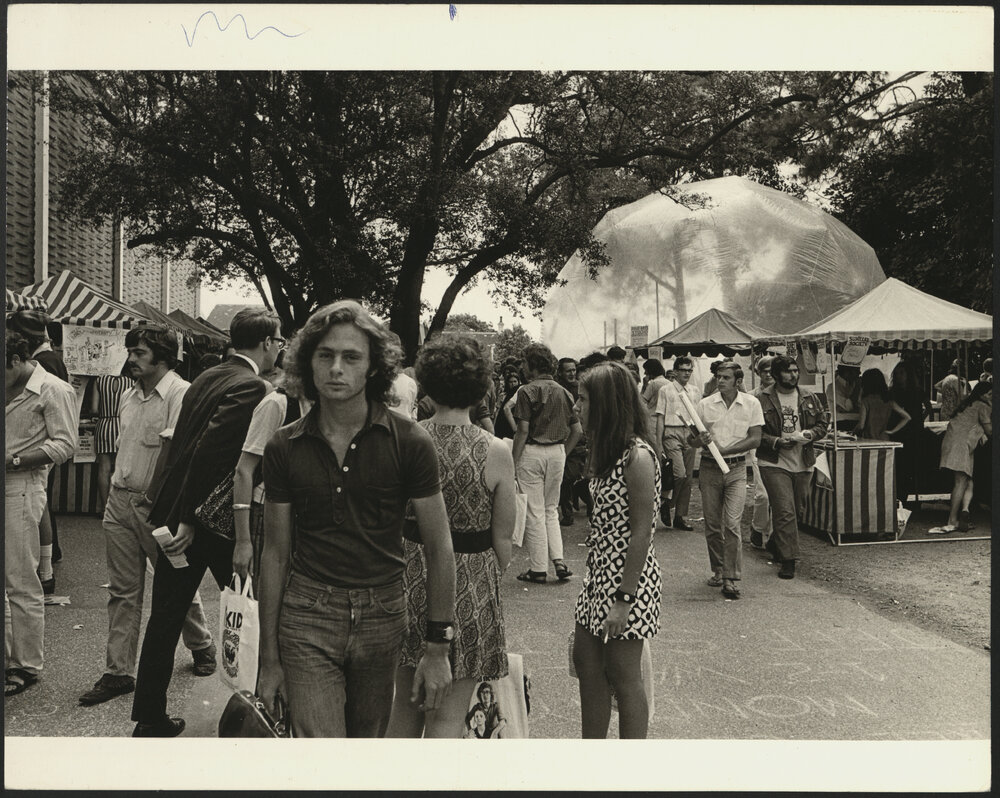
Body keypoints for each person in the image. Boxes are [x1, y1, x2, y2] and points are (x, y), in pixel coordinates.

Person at [258, 300, 456, 738]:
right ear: (308, 362)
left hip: (383, 613)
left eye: (351, 357)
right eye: (325, 355)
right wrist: (268, 660)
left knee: (366, 749)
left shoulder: (410, 441)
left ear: (373, 367)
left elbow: (440, 547)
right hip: (307, 613)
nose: (336, 368)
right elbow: (274, 554)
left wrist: (438, 647)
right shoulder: (284, 446)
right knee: (322, 755)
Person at [130, 308, 281, 737]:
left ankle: (149, 717)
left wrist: (174, 510)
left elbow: (183, 445)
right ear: (266, 343)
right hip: (210, 523)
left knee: (165, 617)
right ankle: (258, 712)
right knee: (249, 612)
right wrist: (189, 517)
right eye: (278, 341)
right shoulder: (253, 385)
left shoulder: (207, 376)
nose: (279, 348)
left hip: (181, 514)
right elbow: (210, 452)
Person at [79, 326, 216, 707]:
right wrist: (113, 495)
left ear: (163, 356)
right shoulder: (128, 395)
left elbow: (180, 457)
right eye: (130, 351)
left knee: (175, 584)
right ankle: (118, 672)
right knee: (122, 591)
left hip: (157, 507)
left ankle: (201, 644)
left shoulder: (180, 394)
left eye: (139, 352)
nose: (131, 359)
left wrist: (162, 504)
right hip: (120, 503)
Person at [386, 335, 515, 738]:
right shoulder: (495, 450)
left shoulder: (406, 437)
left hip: (408, 573)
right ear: (481, 388)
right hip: (471, 580)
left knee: (403, 708)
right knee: (448, 717)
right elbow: (504, 538)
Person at [571, 362, 661, 739]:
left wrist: (624, 599)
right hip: (599, 576)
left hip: (628, 581)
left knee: (624, 676)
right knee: (587, 665)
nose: (576, 406)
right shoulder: (607, 450)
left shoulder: (637, 457)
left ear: (606, 403)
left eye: (583, 399)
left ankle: (629, 766)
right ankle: (591, 757)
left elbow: (642, 533)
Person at [4, 331, 78, 697]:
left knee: (20, 579)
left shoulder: (53, 389)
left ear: (16, 361)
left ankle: (26, 665)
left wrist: (15, 459)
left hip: (20, 485)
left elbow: (65, 444)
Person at [232, 350, 311, 586]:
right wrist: (243, 541)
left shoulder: (326, 408)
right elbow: (244, 471)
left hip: (304, 515)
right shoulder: (277, 403)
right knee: (264, 589)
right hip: (266, 513)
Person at [691, 362, 763, 598]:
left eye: (726, 377)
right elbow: (690, 440)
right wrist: (700, 440)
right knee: (713, 524)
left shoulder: (751, 403)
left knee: (732, 523)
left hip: (737, 469)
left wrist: (725, 450)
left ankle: (731, 578)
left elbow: (755, 439)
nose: (720, 381)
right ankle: (719, 570)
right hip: (709, 468)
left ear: (738, 381)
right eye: (718, 376)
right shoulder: (705, 404)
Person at [512, 343, 583, 584]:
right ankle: (559, 560)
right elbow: (577, 430)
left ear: (532, 365)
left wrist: (512, 462)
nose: (522, 368)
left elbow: (522, 430)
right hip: (557, 452)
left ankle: (538, 568)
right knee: (551, 509)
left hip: (532, 452)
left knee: (534, 511)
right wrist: (563, 451)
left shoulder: (526, 391)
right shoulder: (564, 392)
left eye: (524, 363)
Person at [7, 310, 69, 580]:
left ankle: (45, 569)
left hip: (32, 461)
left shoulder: (44, 369)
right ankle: (45, 567)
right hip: (29, 458)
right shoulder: (49, 360)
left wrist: (18, 459)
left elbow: (63, 441)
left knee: (39, 506)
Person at [756, 355, 829, 579]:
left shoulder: (808, 396)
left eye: (796, 371)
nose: (794, 375)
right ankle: (789, 560)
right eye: (788, 371)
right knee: (785, 510)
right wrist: (776, 441)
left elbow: (823, 424)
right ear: (776, 375)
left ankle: (776, 542)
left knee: (796, 510)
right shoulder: (761, 399)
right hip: (773, 461)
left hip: (803, 461)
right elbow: (754, 432)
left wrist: (809, 434)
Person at [936, 383, 991, 533]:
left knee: (967, 479)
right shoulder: (982, 406)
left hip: (954, 443)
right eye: (990, 394)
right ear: (982, 394)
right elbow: (991, 431)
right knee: (960, 482)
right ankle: (952, 520)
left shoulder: (968, 404)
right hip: (961, 446)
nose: (992, 397)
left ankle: (965, 510)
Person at [653, 356, 701, 530]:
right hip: (671, 432)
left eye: (689, 370)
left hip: (690, 432)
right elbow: (660, 416)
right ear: (675, 371)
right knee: (679, 474)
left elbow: (698, 415)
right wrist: (658, 442)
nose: (687, 373)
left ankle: (680, 516)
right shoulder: (665, 390)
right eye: (683, 370)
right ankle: (666, 502)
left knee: (688, 477)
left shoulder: (695, 391)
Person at [89, 361, 134, 514]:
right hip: (122, 426)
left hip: (104, 425)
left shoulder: (99, 380)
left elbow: (94, 409)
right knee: (120, 469)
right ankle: (117, 510)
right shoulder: (130, 382)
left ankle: (104, 508)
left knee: (104, 469)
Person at [889, 360, 929, 504]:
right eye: (897, 373)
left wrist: (919, 419)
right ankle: (900, 496)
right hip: (899, 432)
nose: (899, 376)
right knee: (899, 464)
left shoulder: (917, 391)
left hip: (914, 432)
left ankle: (905, 495)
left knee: (911, 464)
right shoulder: (892, 392)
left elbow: (928, 407)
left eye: (902, 373)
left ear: (908, 375)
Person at [748, 356, 776, 549]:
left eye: (771, 371)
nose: (768, 374)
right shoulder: (752, 397)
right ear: (758, 373)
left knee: (777, 495)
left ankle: (774, 536)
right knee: (763, 494)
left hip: (778, 446)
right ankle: (758, 527)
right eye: (764, 371)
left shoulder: (783, 394)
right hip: (757, 446)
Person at [556, 357, 581, 525]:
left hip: (579, 437)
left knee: (572, 475)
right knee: (564, 477)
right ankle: (567, 512)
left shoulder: (580, 388)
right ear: (560, 373)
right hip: (561, 436)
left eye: (574, 370)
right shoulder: (558, 389)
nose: (572, 373)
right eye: (568, 371)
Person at [855, 368, 911, 441]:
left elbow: (861, 426)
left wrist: (852, 433)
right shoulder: (888, 401)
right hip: (885, 439)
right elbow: (907, 417)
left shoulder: (866, 401)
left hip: (869, 439)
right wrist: (892, 431)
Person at [493, 371, 521, 440]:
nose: (513, 384)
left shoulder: (520, 394)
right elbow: (498, 411)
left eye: (515, 381)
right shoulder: (503, 395)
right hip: (504, 422)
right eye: (510, 382)